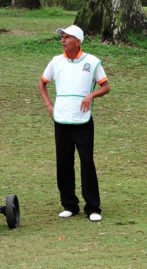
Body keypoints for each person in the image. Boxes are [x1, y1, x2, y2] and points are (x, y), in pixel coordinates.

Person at [38, 25, 110, 222]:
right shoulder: (56, 61)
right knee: (63, 162)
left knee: (87, 162)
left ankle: (93, 208)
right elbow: (42, 83)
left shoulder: (92, 62)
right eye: (62, 37)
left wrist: (91, 95)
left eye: (67, 37)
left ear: (77, 41)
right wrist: (48, 104)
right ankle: (69, 204)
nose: (63, 40)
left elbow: (106, 86)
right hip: (61, 118)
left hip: (82, 120)